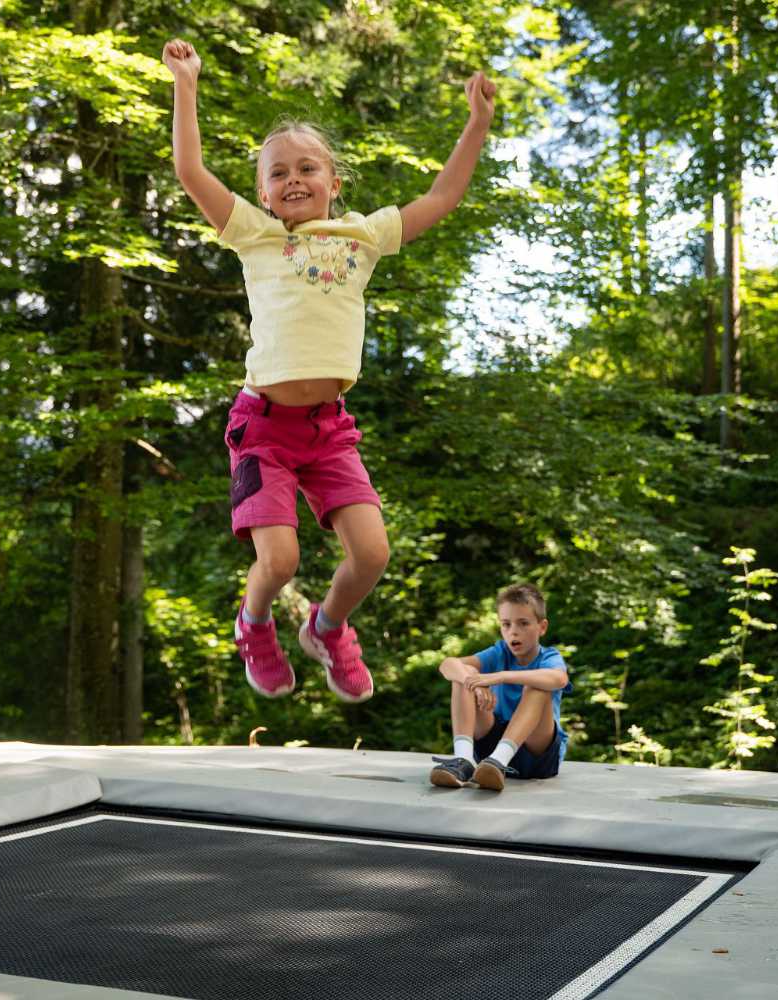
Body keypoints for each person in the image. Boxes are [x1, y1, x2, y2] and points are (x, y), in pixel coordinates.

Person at [161, 38, 497, 703]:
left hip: (328, 430)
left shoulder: (363, 237)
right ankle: (254, 624)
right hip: (262, 428)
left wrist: (477, 123)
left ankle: (328, 627)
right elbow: (191, 171)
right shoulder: (255, 234)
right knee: (279, 560)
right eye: (278, 172)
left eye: (307, 167)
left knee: (372, 555)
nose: (293, 179)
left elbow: (443, 196)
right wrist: (187, 84)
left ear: (334, 182)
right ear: (262, 191)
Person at [430, 583, 572, 791]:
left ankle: (500, 759)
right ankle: (463, 759)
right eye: (506, 624)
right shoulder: (499, 652)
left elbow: (559, 679)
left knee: (536, 685)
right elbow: (448, 665)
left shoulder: (549, 656)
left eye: (523, 623)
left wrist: (500, 676)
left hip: (536, 752)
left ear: (542, 627)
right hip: (489, 751)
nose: (513, 632)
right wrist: (475, 683)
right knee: (464, 674)